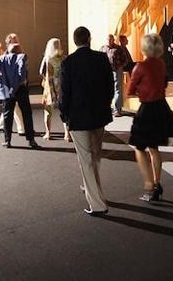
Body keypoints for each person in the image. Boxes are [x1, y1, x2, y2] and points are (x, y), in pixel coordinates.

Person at [59, 26, 114, 216]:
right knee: (95, 156)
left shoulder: (68, 62)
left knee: (86, 160)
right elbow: (110, 87)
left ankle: (98, 204)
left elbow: (64, 93)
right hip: (99, 115)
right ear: (89, 39)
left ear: (75, 41)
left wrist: (65, 116)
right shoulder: (101, 58)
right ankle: (95, 191)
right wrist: (105, 105)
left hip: (78, 116)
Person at [126, 33, 173, 202]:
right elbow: (164, 83)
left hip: (147, 109)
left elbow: (130, 90)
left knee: (139, 147)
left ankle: (149, 185)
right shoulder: (161, 64)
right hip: (161, 108)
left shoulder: (140, 66)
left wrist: (140, 90)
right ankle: (157, 182)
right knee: (154, 148)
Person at [0, 42, 39, 148]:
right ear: (19, 50)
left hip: (7, 89)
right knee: (26, 114)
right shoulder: (21, 57)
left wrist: (0, 81)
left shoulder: (2, 59)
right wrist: (18, 83)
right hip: (20, 89)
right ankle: (31, 140)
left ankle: (7, 140)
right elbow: (22, 73)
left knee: (7, 115)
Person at [0, 32, 25, 134]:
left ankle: (0, 125)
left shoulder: (19, 52)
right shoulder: (5, 55)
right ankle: (21, 129)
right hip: (9, 84)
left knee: (10, 106)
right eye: (14, 40)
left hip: (16, 84)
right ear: (8, 42)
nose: (16, 42)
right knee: (15, 106)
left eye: (17, 40)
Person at [39, 37, 68, 141]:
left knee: (48, 111)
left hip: (49, 87)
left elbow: (41, 72)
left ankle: (48, 133)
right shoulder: (64, 58)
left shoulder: (47, 58)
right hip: (62, 86)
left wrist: (46, 78)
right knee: (64, 110)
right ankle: (67, 134)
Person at [102, 34, 128, 117]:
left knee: (117, 89)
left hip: (116, 70)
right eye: (108, 40)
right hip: (106, 71)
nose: (109, 41)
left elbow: (125, 59)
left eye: (111, 40)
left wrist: (120, 66)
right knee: (107, 89)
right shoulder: (103, 49)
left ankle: (117, 110)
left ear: (113, 40)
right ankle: (108, 108)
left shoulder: (118, 49)